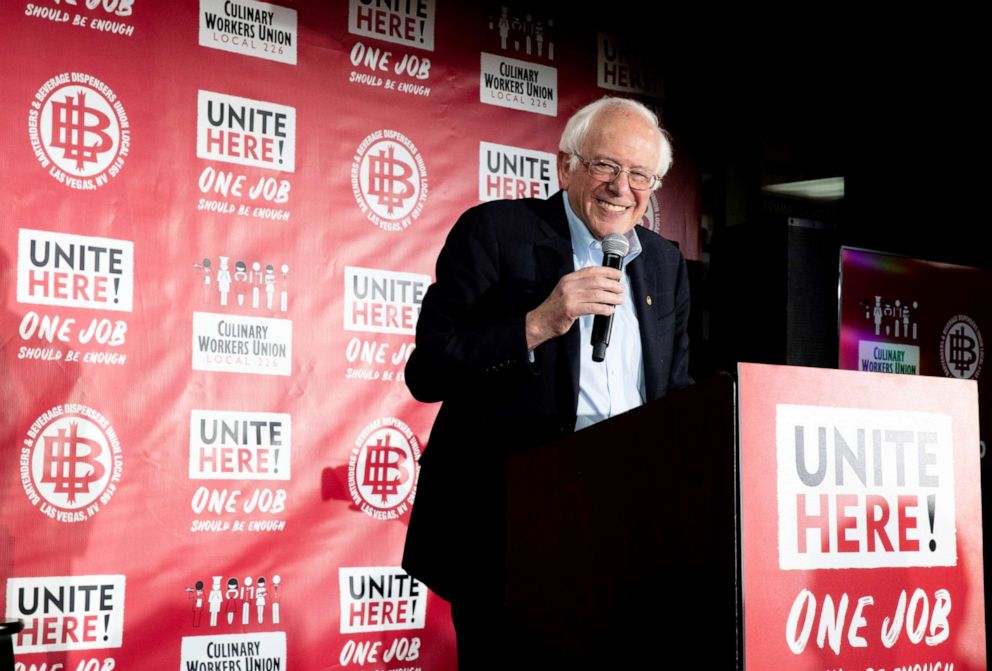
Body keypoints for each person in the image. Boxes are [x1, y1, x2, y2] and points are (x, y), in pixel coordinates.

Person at [402, 96, 692, 669]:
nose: (621, 187)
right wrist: (536, 324)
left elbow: (674, 393)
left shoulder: (664, 262)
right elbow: (428, 368)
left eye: (640, 175)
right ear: (566, 167)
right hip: (508, 528)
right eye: (606, 166)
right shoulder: (495, 232)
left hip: (623, 527)